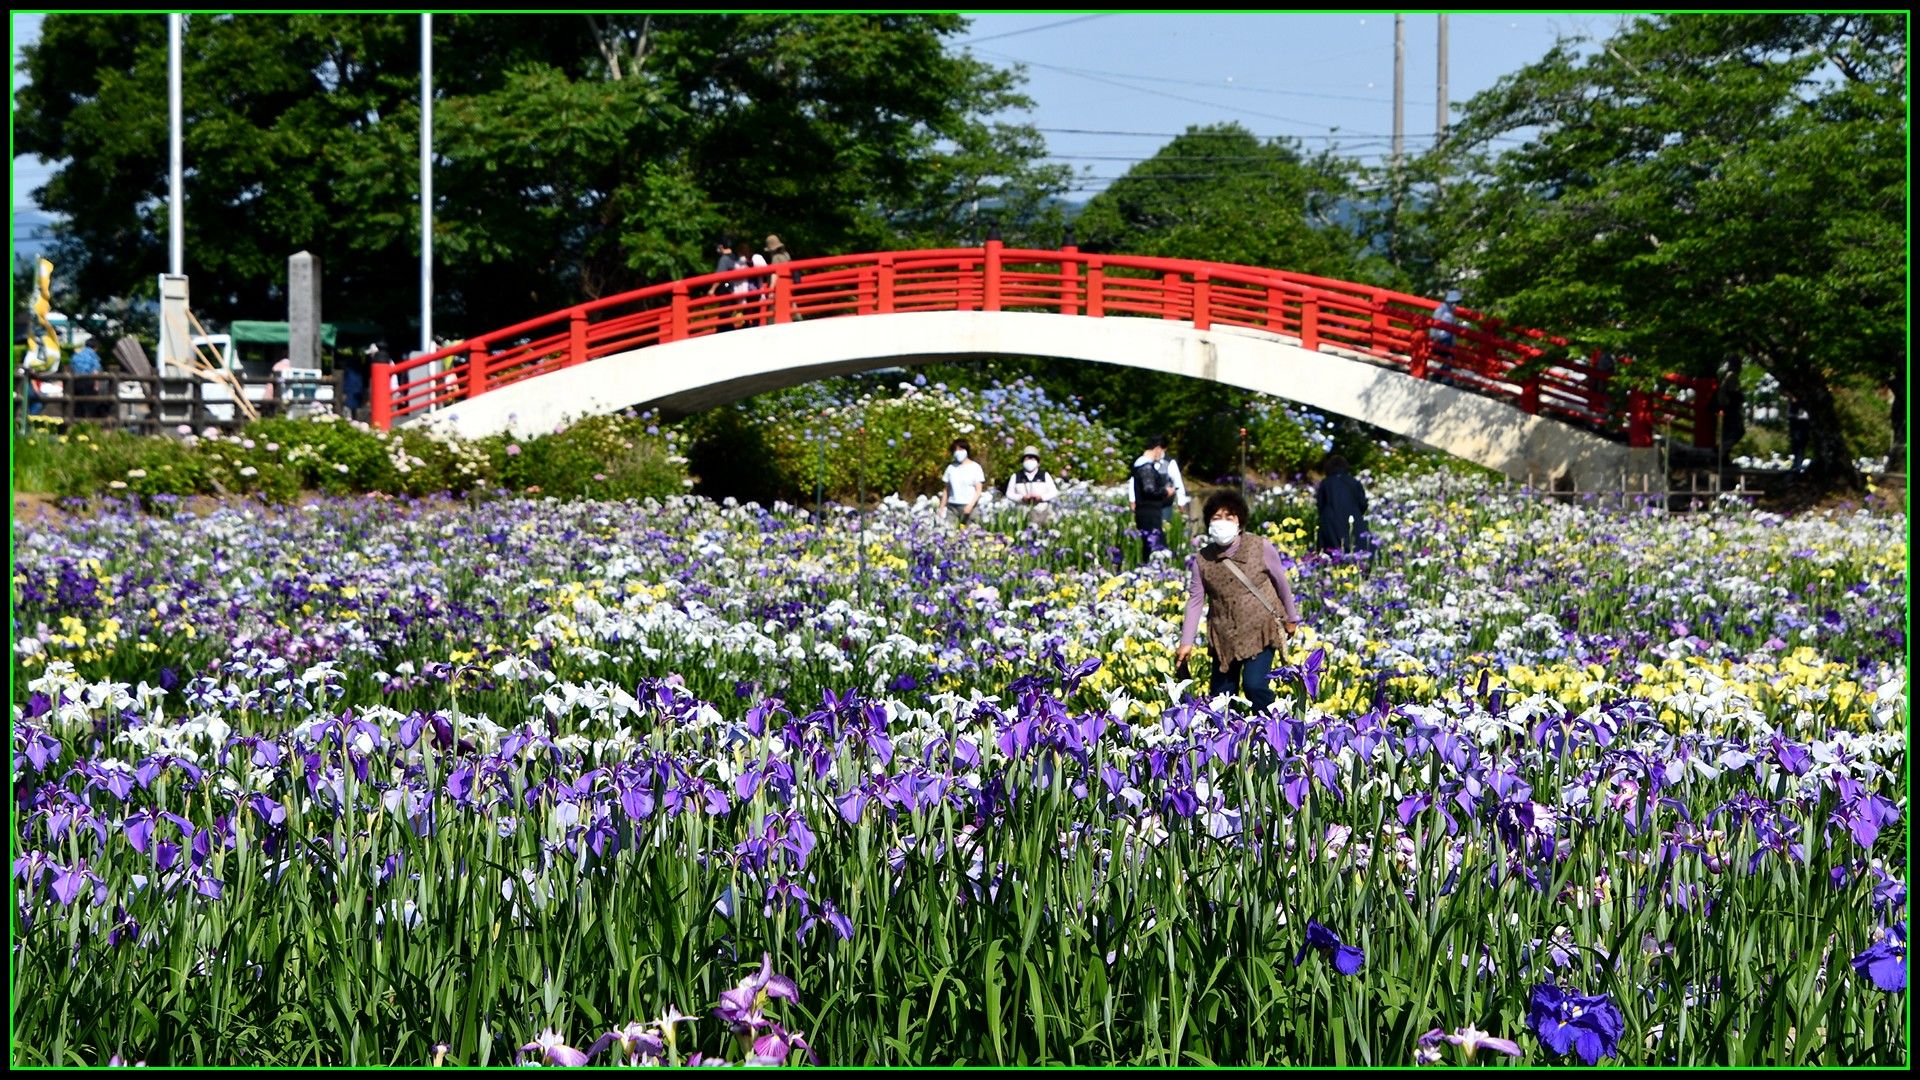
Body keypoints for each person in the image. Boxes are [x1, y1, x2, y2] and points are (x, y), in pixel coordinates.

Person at [1175, 489, 1302, 713]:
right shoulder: (1203, 559)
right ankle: (1229, 741)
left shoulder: (1259, 546)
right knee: (1222, 697)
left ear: (1240, 521)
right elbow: (1195, 600)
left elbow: (1281, 583)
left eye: (1229, 517)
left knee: (1254, 685)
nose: (1222, 522)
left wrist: (1291, 618)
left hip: (1260, 630)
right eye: (1216, 517)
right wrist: (1187, 641)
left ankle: (1272, 729)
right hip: (1224, 636)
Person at [1128, 435, 1188, 560]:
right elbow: (1150, 490)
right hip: (1150, 511)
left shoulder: (1139, 465)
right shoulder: (1146, 467)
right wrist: (1166, 492)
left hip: (1145, 510)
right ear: (1158, 449)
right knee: (1156, 546)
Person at [1314, 453, 1371, 553]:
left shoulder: (1326, 483)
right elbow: (1363, 504)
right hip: (1353, 520)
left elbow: (1320, 505)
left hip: (1330, 522)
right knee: (1357, 551)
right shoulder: (1354, 482)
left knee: (1333, 553)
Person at [1005, 444, 1060, 528]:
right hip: (1023, 513)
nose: (1030, 460)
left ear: (1038, 462)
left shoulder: (1044, 475)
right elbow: (1009, 493)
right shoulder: (1016, 476)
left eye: (1032, 458)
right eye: (1027, 458)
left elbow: (1054, 492)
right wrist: (1022, 498)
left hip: (1042, 512)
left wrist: (1041, 497)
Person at [942, 438, 986, 527]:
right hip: (952, 506)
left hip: (969, 506)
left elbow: (978, 490)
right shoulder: (951, 468)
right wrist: (942, 507)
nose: (958, 452)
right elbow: (946, 489)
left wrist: (970, 506)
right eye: (955, 450)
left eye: (961, 449)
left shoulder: (975, 467)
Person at [69, 338, 106, 419]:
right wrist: (96, 385)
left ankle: (77, 423)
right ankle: (89, 424)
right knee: (91, 404)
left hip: (76, 381)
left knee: (78, 404)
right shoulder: (93, 356)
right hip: (89, 381)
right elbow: (95, 372)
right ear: (95, 347)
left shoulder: (76, 355)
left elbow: (71, 368)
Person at [1430, 289, 1462, 377]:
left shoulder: (1450, 311)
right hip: (1441, 339)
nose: (1455, 305)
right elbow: (1434, 323)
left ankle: (1438, 376)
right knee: (1449, 357)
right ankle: (1441, 377)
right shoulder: (1442, 309)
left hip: (1447, 339)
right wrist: (1433, 337)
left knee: (1450, 358)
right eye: (1455, 302)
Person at [1786, 393, 1811, 473]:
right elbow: (1789, 415)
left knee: (1800, 450)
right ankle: (1797, 465)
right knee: (1797, 450)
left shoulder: (1804, 405)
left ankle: (1798, 466)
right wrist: (1798, 417)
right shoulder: (1793, 405)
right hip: (1796, 431)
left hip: (1802, 431)